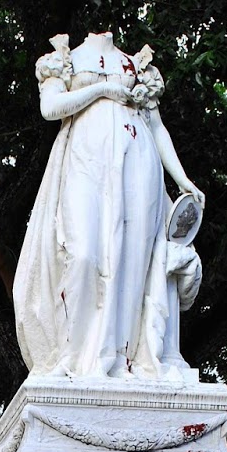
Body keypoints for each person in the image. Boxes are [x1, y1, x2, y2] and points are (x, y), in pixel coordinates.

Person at [13, 31, 205, 381]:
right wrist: (102, 90)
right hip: (85, 162)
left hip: (138, 162)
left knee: (133, 258)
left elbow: (157, 127)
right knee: (82, 253)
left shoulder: (138, 65)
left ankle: (124, 357)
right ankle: (77, 357)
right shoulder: (65, 58)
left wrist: (183, 179)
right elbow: (50, 108)